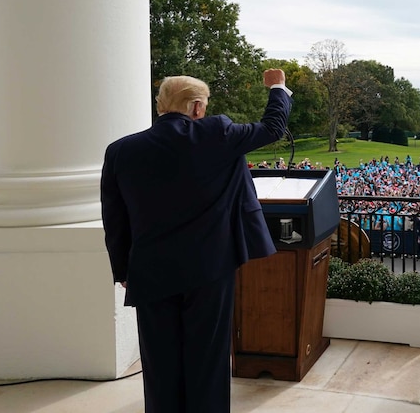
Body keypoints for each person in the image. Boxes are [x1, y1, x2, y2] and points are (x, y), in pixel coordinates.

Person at [101, 69, 292, 413]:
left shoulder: (120, 151)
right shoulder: (217, 133)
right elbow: (273, 127)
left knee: (159, 364)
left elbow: (114, 219)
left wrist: (122, 269)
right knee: (208, 359)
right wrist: (277, 87)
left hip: (150, 271)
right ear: (198, 108)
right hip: (209, 268)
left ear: (160, 105)